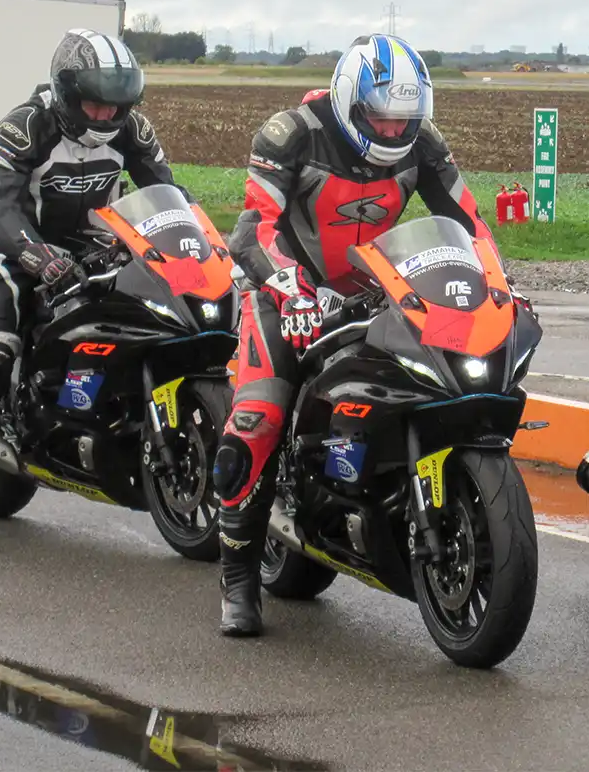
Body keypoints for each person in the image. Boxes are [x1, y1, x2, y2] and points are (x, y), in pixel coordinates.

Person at [213, 33, 524, 636]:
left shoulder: (423, 144)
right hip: (284, 292)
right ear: (352, 102)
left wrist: (497, 285)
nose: (391, 129)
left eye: (403, 118)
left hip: (371, 291)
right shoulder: (293, 133)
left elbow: (470, 224)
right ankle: (238, 576)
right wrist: (292, 291)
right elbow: (254, 230)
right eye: (380, 116)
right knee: (260, 415)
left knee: (433, 377)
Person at [0, 28, 184, 544]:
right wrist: (40, 256)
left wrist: (196, 244)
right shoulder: (25, 127)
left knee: (162, 321)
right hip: (13, 251)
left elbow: (168, 192)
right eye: (94, 106)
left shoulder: (130, 130)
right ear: (68, 93)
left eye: (116, 107)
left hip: (92, 250)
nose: (105, 118)